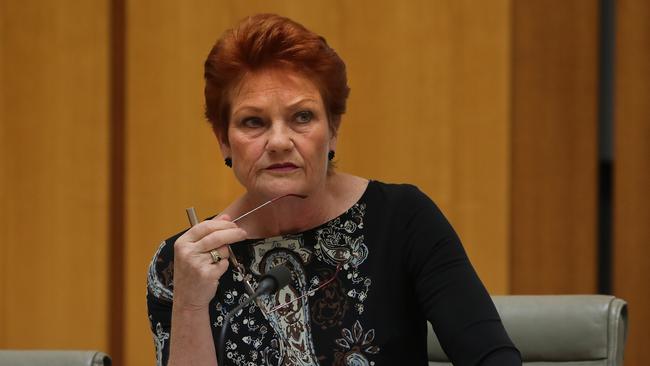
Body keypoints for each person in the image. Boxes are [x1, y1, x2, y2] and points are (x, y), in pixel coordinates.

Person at [147, 13, 521, 366]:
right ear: (223, 140)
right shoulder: (183, 264)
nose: (279, 141)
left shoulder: (402, 220)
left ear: (334, 129)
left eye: (302, 117)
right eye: (253, 122)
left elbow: (492, 358)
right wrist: (191, 307)